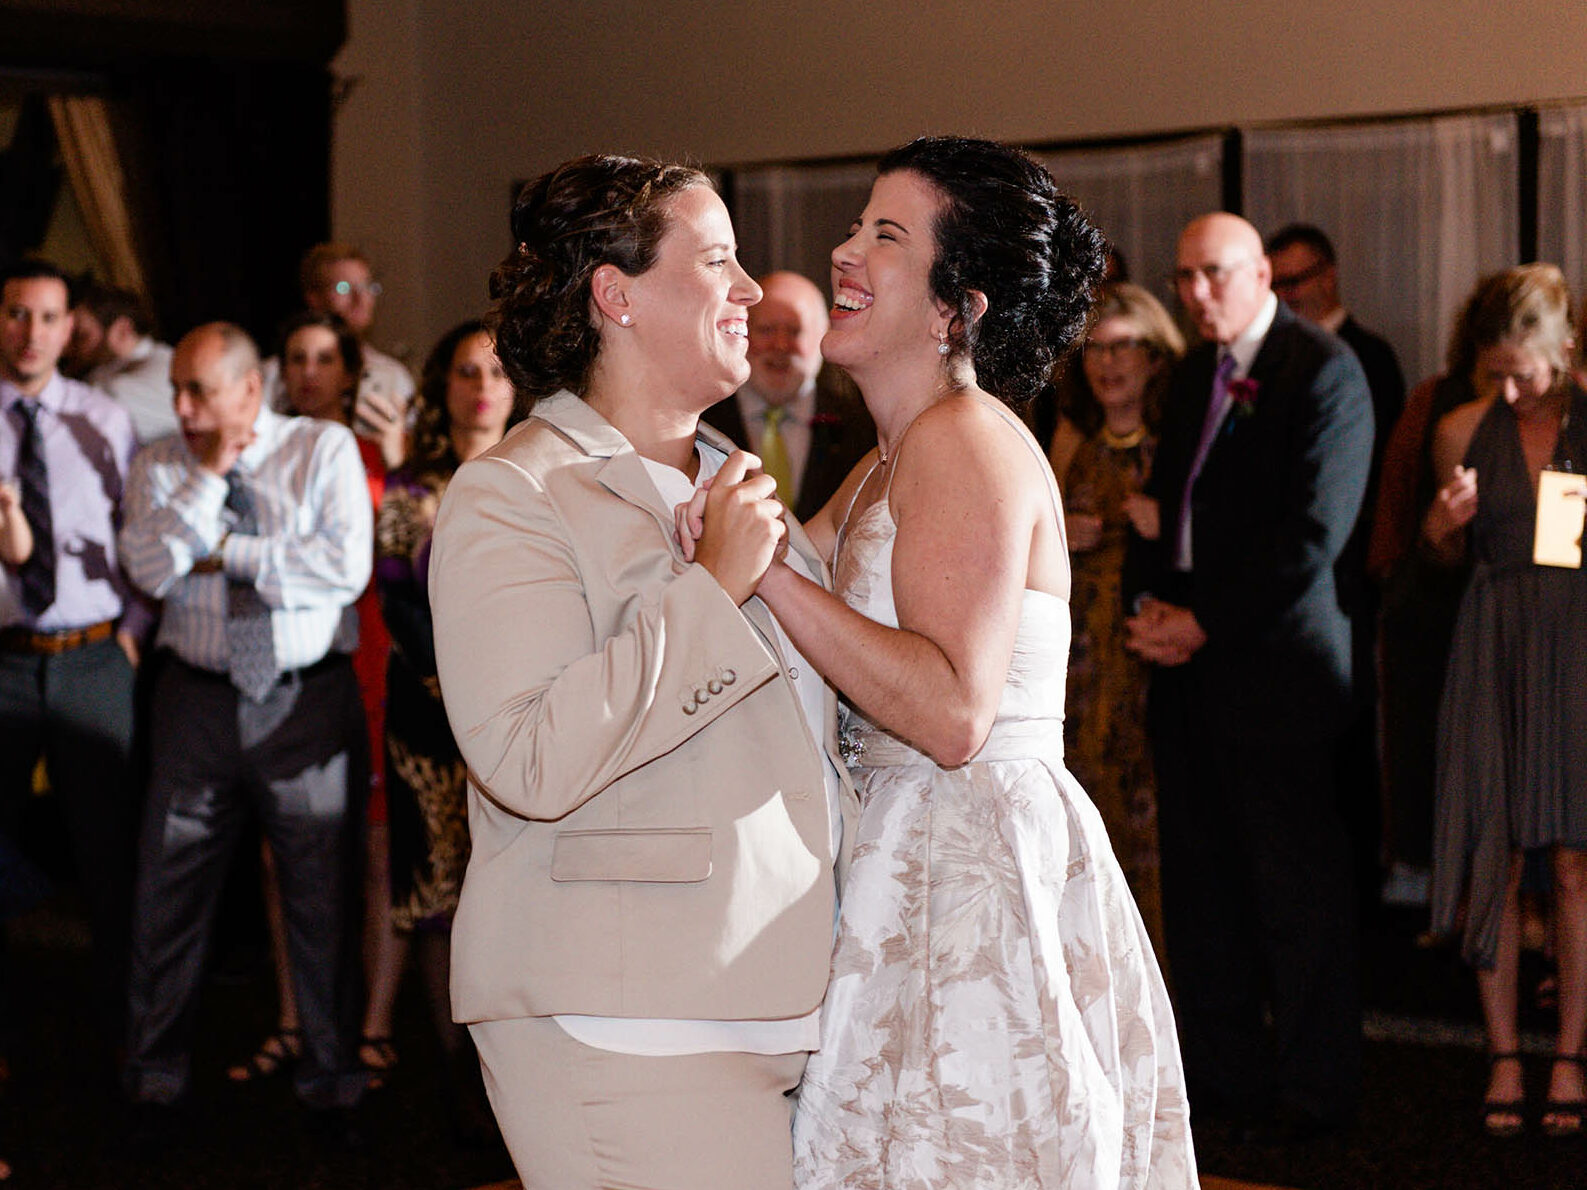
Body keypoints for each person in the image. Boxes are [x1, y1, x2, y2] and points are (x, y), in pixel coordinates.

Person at [692, 136, 1194, 1187]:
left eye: (884, 234)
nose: (844, 253)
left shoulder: (966, 439)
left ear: (953, 308)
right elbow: (800, 563)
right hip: (900, 846)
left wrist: (766, 572)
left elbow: (955, 710)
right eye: (855, 226)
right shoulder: (891, 455)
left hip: (967, 864)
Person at [426, 154, 855, 1189]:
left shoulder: (736, 478)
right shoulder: (512, 493)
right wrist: (708, 592)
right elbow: (524, 756)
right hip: (624, 1021)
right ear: (614, 294)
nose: (751, 289)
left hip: (782, 994)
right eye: (718, 260)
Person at [1123, 212, 1374, 1138]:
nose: (1194, 293)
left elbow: (1313, 537)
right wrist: (1149, 608)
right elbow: (1169, 508)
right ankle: (1223, 1086)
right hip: (1190, 673)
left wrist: (1204, 621)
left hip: (1279, 676)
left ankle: (1315, 1094)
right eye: (1183, 276)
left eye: (1213, 274)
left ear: (1262, 271)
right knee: (1203, 890)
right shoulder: (1194, 372)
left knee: (1294, 895)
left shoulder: (1325, 373)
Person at [119, 322, 371, 1132]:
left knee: (320, 900)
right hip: (194, 701)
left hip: (305, 702)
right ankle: (152, 1079)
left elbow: (342, 570)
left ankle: (331, 1079)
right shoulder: (159, 464)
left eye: (199, 391)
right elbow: (152, 569)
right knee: (168, 893)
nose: (182, 406)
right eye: (177, 391)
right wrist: (207, 480)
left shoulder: (321, 449)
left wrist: (222, 551)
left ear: (249, 391)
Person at [1422, 264, 1587, 1138]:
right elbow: (1438, 563)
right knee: (1495, 852)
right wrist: (1439, 530)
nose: (1512, 388)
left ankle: (1568, 1051)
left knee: (1570, 859)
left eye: (1527, 370)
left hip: (1578, 647)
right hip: (1492, 644)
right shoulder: (1458, 429)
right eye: (1498, 373)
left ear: (1565, 349)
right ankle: (1501, 1054)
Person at [227, 310, 402, 1089]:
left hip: (370, 658)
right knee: (280, 856)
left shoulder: (374, 455)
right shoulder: (263, 450)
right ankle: (295, 1017)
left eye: (323, 358)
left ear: (348, 372)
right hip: (290, 662)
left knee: (371, 851)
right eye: (295, 357)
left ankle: (371, 1025)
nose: (308, 372)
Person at [375, 318, 522, 1139]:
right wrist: (463, 686)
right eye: (466, 370)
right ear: (444, 386)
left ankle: (513, 1076)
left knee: (511, 895)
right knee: (439, 896)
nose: (481, 386)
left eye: (495, 371)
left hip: (529, 713)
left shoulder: (544, 475)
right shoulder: (411, 488)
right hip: (430, 724)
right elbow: (399, 602)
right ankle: (457, 1077)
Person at [0, 259, 142, 1068]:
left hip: (93, 658)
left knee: (109, 856)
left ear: (69, 328)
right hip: (4, 661)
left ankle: (125, 1037)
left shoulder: (104, 418)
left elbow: (139, 526)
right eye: (17, 314)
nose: (31, 332)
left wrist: (138, 627)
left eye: (47, 317)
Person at [1267, 221, 1408, 907]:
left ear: (1327, 275)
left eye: (1295, 281)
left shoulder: (1367, 357)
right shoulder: (1269, 357)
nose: (1287, 296)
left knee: (1351, 737)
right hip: (1293, 580)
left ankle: (1361, 888)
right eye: (1276, 283)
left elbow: (1371, 483)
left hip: (1347, 578)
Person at [1047, 281, 1183, 959]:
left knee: (1156, 841)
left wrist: (1166, 529)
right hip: (1076, 670)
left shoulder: (1175, 445)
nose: (1107, 363)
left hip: (1153, 668)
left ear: (1156, 356)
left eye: (1124, 346)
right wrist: (1052, 530)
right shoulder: (1069, 445)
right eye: (1094, 349)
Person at [702, 270, 873, 519]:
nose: (781, 346)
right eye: (767, 329)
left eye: (795, 331)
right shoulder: (704, 421)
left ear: (823, 335)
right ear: (741, 330)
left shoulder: (863, 429)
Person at [262, 243, 415, 435]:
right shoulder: (271, 375)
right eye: (343, 288)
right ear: (313, 297)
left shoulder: (392, 374)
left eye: (367, 286)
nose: (360, 298)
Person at [64, 281, 178, 444]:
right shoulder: (104, 371)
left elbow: (101, 405)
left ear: (123, 330)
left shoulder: (166, 366)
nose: (66, 349)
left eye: (80, 336)